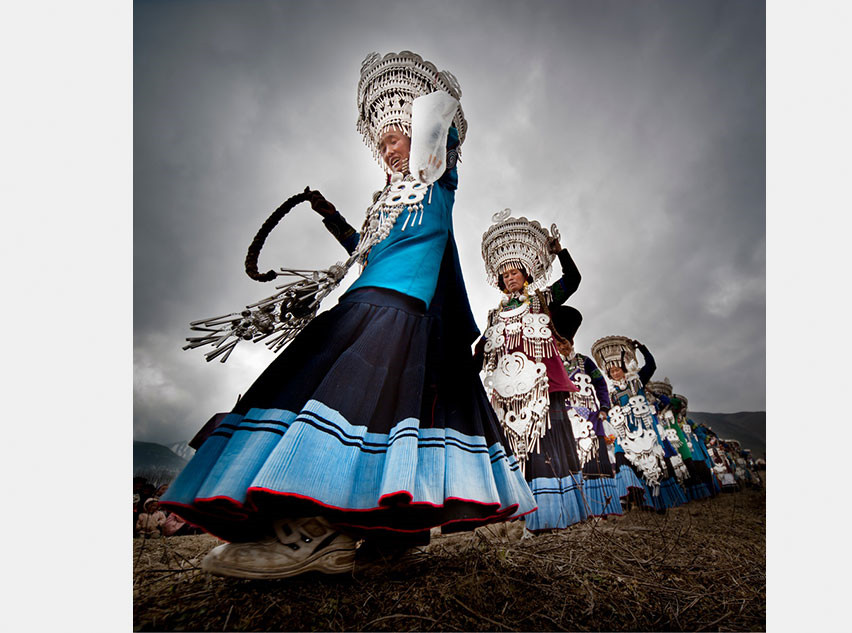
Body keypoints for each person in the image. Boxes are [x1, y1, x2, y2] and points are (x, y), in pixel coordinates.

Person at [160, 51, 536, 579]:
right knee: (370, 408)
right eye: (380, 141)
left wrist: (413, 108)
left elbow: (441, 113)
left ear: (421, 136)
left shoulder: (438, 179)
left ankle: (314, 526)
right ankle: (389, 530)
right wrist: (330, 214)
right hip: (367, 297)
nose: (386, 148)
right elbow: (366, 248)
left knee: (353, 400)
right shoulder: (384, 200)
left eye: (395, 135)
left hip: (402, 308)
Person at [476, 212, 589, 533]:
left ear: (526, 275)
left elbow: (573, 281)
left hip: (544, 382)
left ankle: (555, 512)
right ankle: (520, 512)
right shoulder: (494, 314)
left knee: (547, 440)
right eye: (505, 274)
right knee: (515, 443)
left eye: (515, 272)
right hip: (508, 388)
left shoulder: (543, 299)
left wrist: (560, 251)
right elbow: (483, 348)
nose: (510, 277)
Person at [591, 337, 686, 511]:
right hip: (624, 432)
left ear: (624, 368)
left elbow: (651, 365)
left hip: (645, 429)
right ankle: (633, 496)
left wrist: (642, 348)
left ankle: (658, 502)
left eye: (617, 370)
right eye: (611, 372)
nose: (615, 374)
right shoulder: (611, 393)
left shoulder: (637, 380)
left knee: (652, 463)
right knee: (621, 459)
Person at [551, 306, 623, 519]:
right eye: (557, 343)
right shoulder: (553, 364)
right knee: (572, 461)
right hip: (567, 417)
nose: (561, 347)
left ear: (571, 342)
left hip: (591, 416)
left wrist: (603, 408)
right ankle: (579, 509)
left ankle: (603, 508)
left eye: (564, 342)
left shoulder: (584, 361)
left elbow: (600, 384)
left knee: (597, 460)